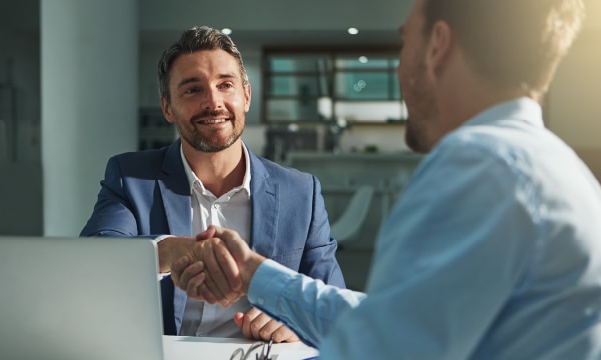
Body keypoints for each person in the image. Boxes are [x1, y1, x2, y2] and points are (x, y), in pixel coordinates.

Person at [173, 0, 601, 358]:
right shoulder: (551, 166)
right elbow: (397, 321)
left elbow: (379, 350)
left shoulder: (479, 167)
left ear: (437, 47)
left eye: (404, 42)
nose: (399, 67)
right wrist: (256, 274)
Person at [80, 25, 345, 342]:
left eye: (225, 85)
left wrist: (298, 324)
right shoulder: (129, 177)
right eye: (193, 90)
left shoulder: (301, 193)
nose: (213, 101)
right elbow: (94, 260)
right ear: (167, 107)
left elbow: (334, 307)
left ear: (246, 96)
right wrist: (173, 251)